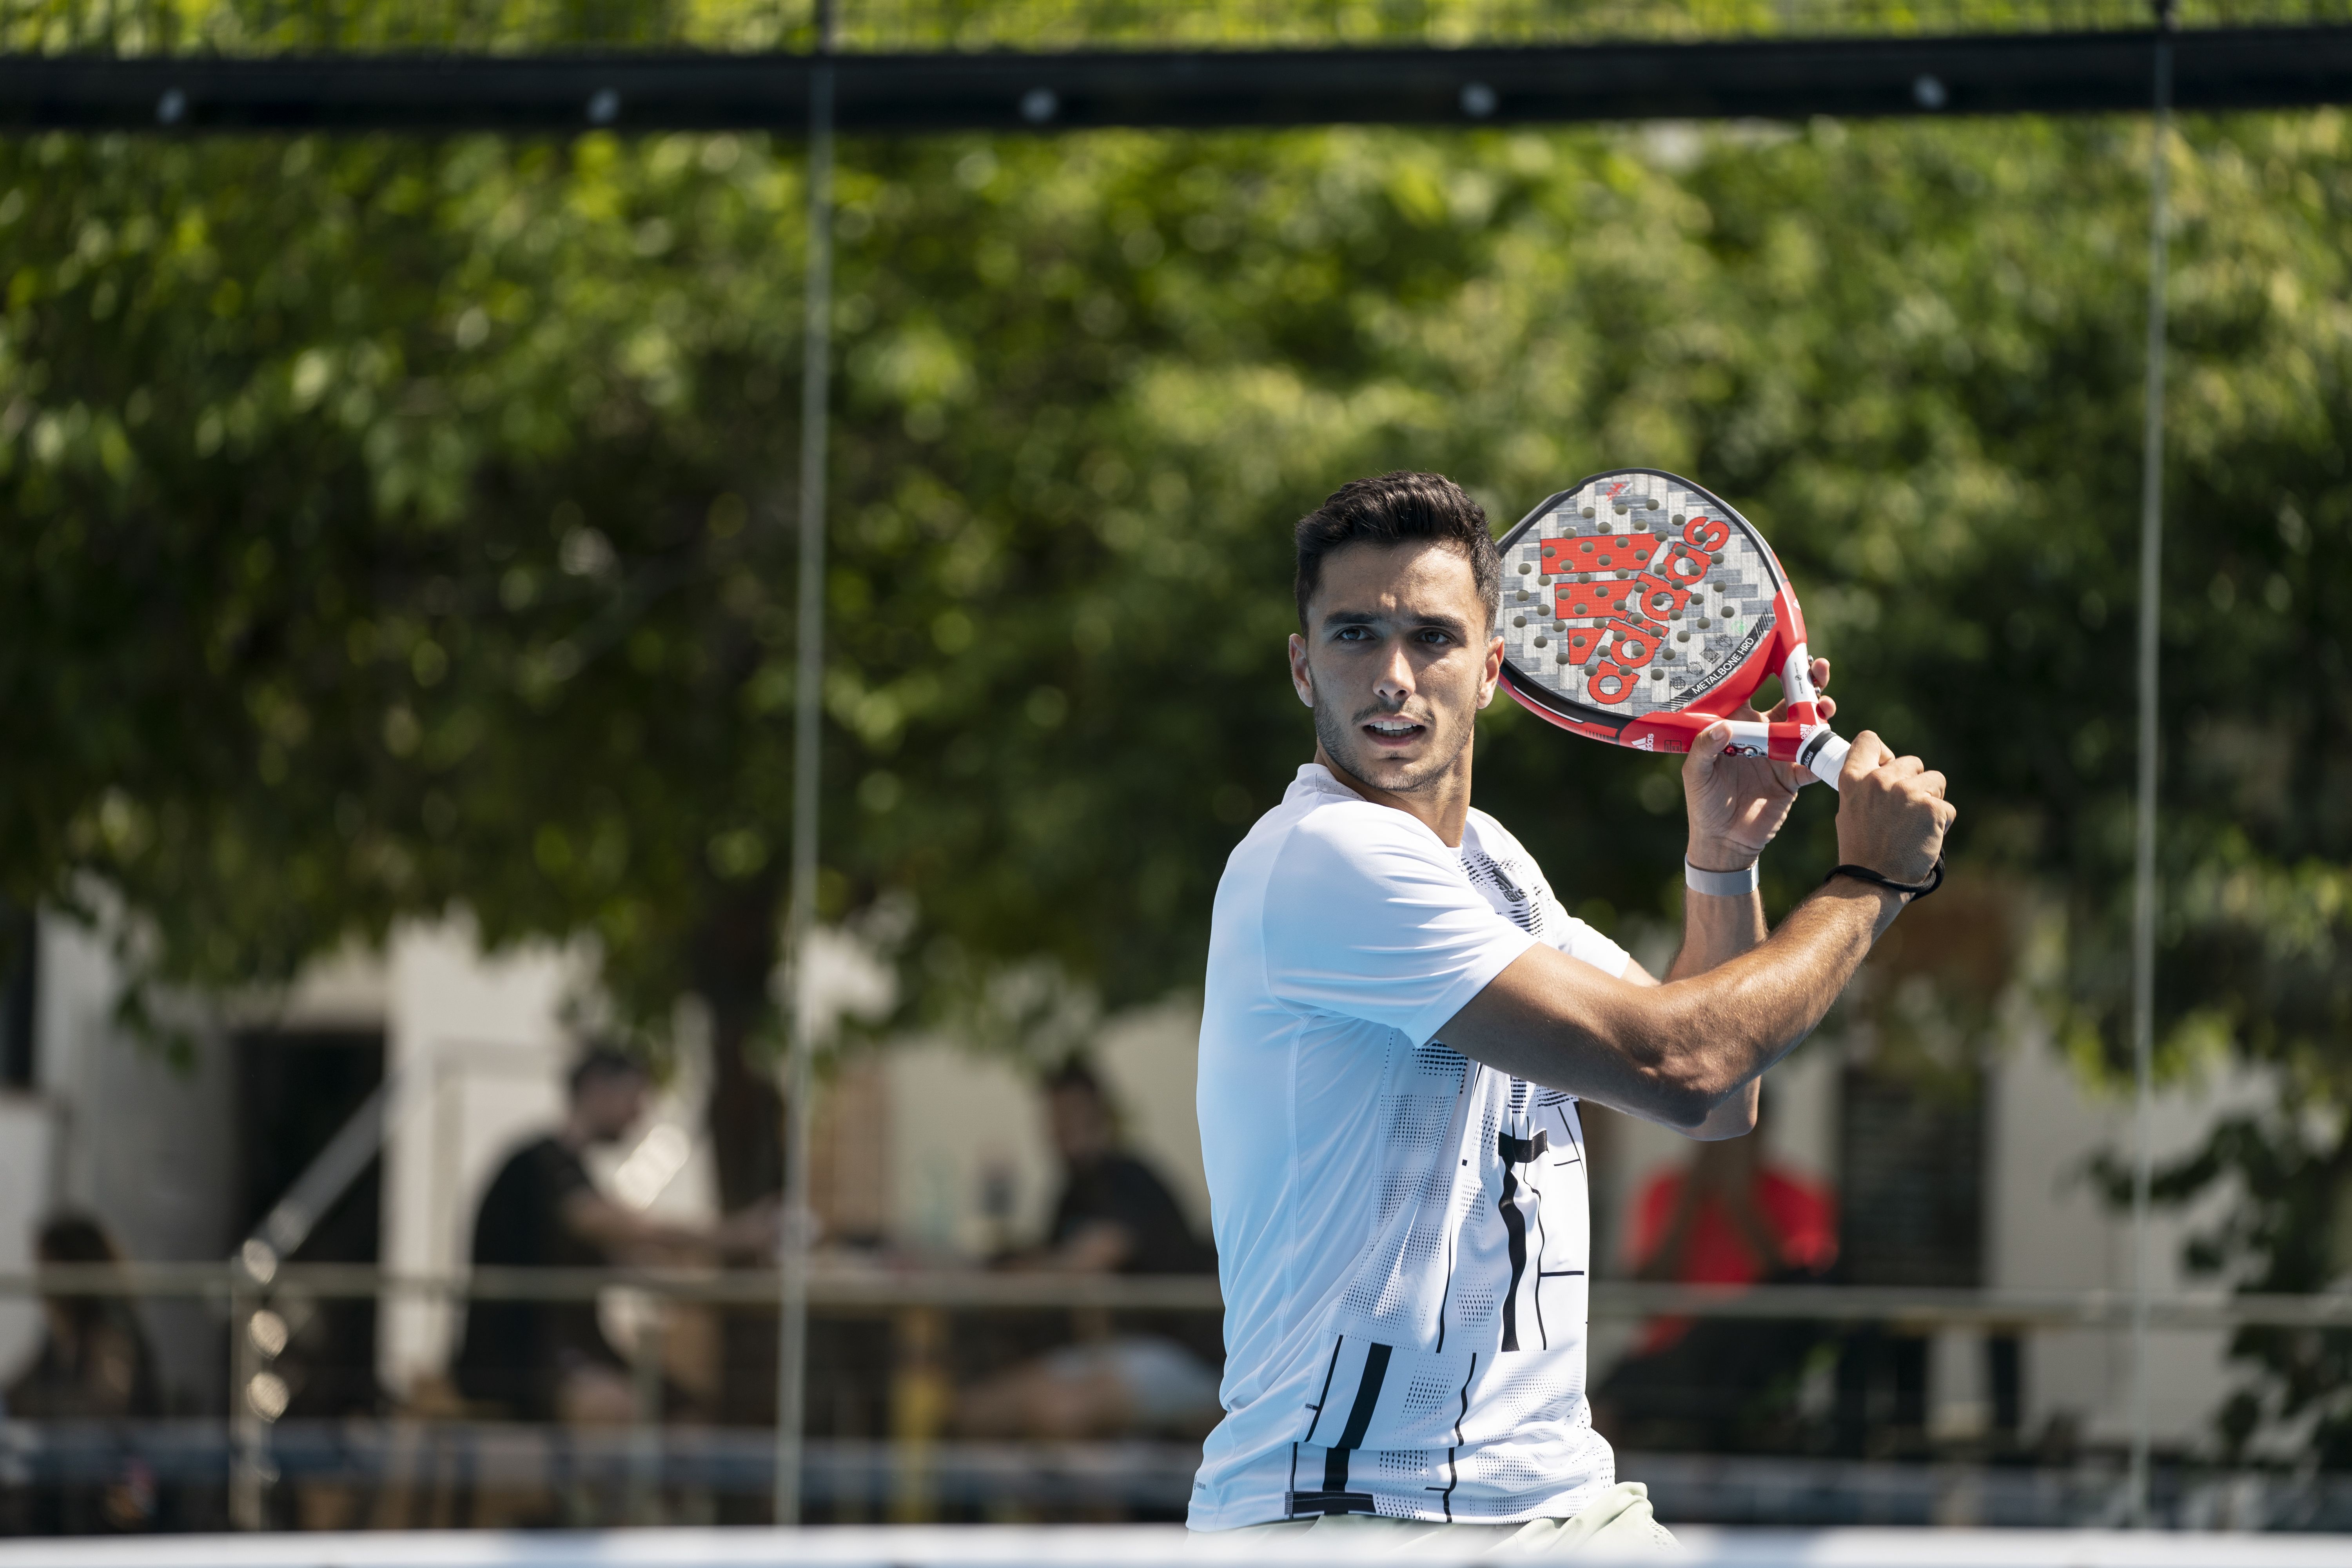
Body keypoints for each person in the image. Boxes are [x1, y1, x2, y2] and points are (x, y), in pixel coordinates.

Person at [1188, 472, 1952, 1551]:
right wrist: (1871, 887)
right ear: (1304, 664)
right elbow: (1680, 1060)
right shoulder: (1321, 860)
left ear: (1494, 668)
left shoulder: (1492, 863)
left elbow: (1718, 1104)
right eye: (1355, 635)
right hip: (1346, 1516)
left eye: (1434, 638)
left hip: (1555, 1505)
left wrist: (1721, 867)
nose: (1394, 677)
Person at [452, 1047, 774, 1424]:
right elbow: (626, 1229)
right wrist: (734, 1235)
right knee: (623, 1412)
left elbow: (633, 1259)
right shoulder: (542, 1164)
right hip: (517, 1361)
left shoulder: (574, 1174)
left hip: (571, 1357)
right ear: (596, 1089)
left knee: (686, 1413)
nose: (639, 1115)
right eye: (633, 1098)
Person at [957, 1060, 1223, 1439]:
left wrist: (1020, 1273)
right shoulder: (1070, 1195)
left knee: (1060, 1412)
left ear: (1102, 1115)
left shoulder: (1129, 1178)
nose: (1065, 1127)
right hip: (1115, 1355)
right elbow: (1051, 1264)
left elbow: (1086, 1262)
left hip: (1189, 1356)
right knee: (979, 1411)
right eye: (1056, 1116)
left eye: (1074, 1112)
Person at [1588, 1097, 1839, 1454]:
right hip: (1676, 1353)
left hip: (1751, 1355)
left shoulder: (1801, 1195)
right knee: (1601, 1409)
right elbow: (1645, 1299)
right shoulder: (1666, 1190)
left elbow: (1801, 1288)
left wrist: (1739, 1204)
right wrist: (1690, 1203)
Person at [0, 1214, 163, 1534]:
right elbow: (16, 1393)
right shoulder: (60, 1339)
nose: (40, 1284)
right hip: (66, 1484)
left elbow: (103, 1408)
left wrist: (37, 1411)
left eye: (48, 1268)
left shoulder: (112, 1332)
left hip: (108, 1494)